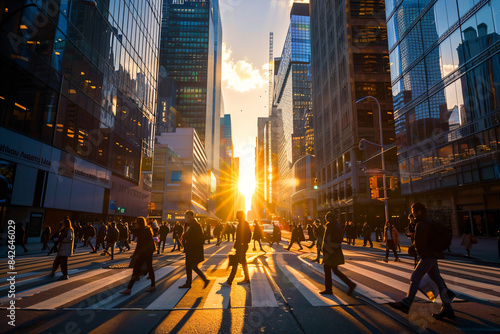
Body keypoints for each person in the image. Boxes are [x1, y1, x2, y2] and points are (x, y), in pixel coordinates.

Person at [389, 203, 455, 320]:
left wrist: (414, 250)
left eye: (414, 211)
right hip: (432, 254)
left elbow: (420, 242)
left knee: (415, 277)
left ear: (419, 212)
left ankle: (406, 303)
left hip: (427, 256)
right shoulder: (428, 221)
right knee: (438, 280)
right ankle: (448, 308)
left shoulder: (422, 224)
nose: (413, 213)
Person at [320, 211, 356, 295]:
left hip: (331, 252)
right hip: (331, 252)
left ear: (331, 218)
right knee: (334, 270)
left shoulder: (333, 226)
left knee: (328, 269)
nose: (326, 220)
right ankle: (350, 285)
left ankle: (329, 289)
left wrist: (328, 250)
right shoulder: (333, 225)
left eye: (327, 218)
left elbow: (335, 241)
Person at [120, 217, 157, 295]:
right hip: (146, 253)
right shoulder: (143, 230)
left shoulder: (144, 231)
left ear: (139, 224)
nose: (134, 224)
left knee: (137, 270)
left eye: (135, 223)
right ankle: (152, 285)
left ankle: (129, 289)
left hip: (145, 253)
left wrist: (135, 255)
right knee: (148, 268)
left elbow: (141, 245)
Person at [178, 210, 209, 289]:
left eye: (189, 217)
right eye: (187, 217)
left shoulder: (197, 225)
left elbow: (200, 239)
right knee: (188, 266)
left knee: (193, 266)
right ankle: (188, 283)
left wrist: (187, 238)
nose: (188, 218)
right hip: (189, 249)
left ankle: (205, 279)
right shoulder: (187, 225)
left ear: (192, 216)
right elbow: (185, 234)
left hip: (194, 249)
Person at [223, 211, 252, 286]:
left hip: (241, 246)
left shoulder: (243, 224)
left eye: (237, 215)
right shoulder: (242, 223)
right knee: (243, 262)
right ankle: (246, 278)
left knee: (235, 263)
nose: (236, 216)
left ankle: (229, 281)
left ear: (240, 216)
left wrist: (243, 243)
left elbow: (248, 234)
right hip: (241, 245)